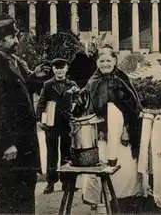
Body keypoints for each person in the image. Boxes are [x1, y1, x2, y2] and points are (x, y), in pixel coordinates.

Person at [0, 18, 51, 214]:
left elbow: (20, 93)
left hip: (25, 145)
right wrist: (6, 142)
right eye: (12, 37)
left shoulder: (15, 61)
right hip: (9, 148)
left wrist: (35, 78)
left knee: (26, 197)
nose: (17, 41)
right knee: (9, 198)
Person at [80, 44, 143, 212]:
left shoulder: (122, 79)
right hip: (101, 133)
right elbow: (86, 107)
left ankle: (124, 200)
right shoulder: (92, 82)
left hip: (122, 133)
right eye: (102, 61)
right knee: (101, 165)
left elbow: (134, 108)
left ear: (115, 61)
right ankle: (101, 202)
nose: (105, 64)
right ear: (97, 63)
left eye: (109, 60)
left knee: (123, 168)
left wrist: (126, 130)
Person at [36, 58, 80, 194]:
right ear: (53, 69)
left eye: (62, 67)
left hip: (67, 123)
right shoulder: (47, 85)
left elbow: (79, 101)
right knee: (52, 153)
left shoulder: (72, 84)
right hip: (51, 123)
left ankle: (67, 182)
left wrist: (76, 98)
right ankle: (50, 182)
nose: (59, 70)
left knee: (67, 152)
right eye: (57, 68)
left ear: (66, 69)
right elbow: (41, 103)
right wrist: (39, 119)